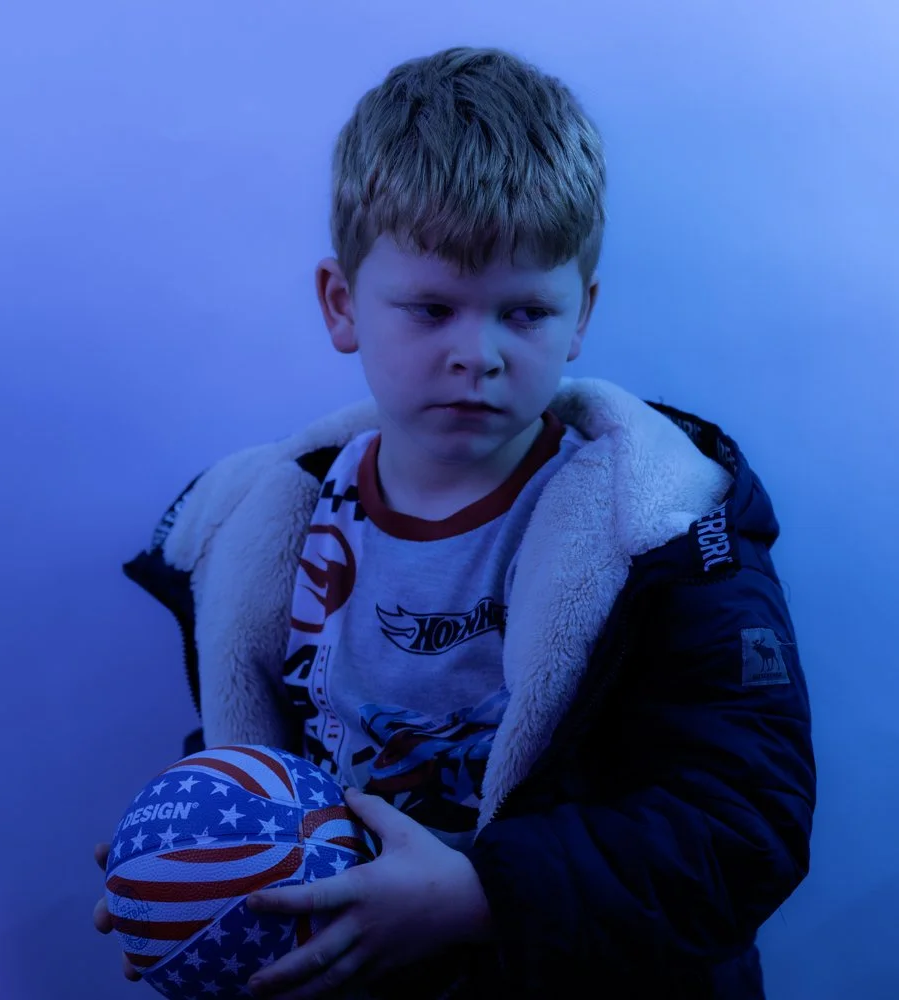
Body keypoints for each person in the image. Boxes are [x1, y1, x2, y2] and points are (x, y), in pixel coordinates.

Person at [92, 45, 815, 999]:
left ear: (580, 317)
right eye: (430, 308)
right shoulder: (266, 527)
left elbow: (741, 827)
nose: (475, 353)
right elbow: (286, 744)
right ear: (343, 304)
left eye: (523, 313)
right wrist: (200, 844)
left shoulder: (667, 531)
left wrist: (484, 893)